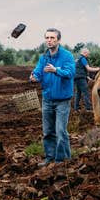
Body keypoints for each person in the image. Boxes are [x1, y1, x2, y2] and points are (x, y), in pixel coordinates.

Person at [30, 28, 75, 167]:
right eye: (47, 38)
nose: (49, 40)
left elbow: (70, 72)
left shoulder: (67, 56)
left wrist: (56, 70)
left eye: (52, 38)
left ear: (58, 40)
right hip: (47, 99)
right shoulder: (43, 58)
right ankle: (50, 159)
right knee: (48, 132)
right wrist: (34, 77)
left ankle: (62, 161)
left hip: (62, 100)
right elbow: (37, 71)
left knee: (61, 131)